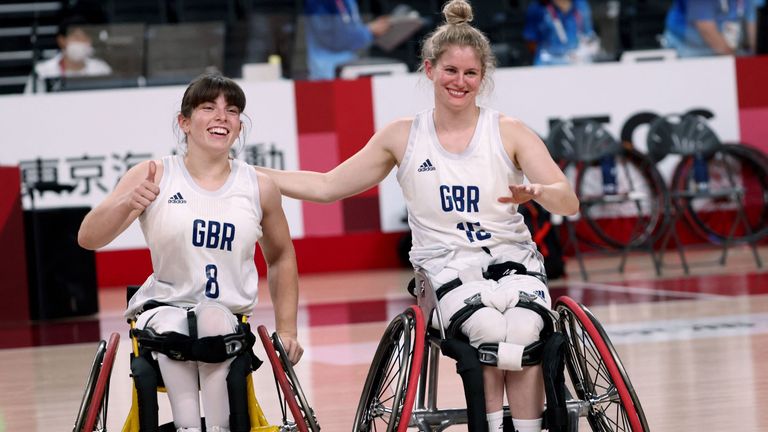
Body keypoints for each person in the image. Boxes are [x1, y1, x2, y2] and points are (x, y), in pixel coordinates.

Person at [257, 1, 579, 430]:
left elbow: (568, 201)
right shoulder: (402, 135)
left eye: (470, 74)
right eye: (450, 71)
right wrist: (246, 174)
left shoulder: (509, 130)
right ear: (429, 70)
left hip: (513, 260)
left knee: (525, 330)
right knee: (485, 328)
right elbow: (327, 186)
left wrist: (540, 192)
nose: (460, 82)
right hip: (446, 267)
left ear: (483, 78)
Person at [77, 73, 303, 432]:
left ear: (239, 126)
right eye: (208, 107)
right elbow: (88, 237)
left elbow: (281, 256)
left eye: (231, 111)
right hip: (163, 310)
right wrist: (125, 203)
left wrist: (288, 329)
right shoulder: (154, 174)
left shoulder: (258, 186)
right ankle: (187, 426)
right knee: (174, 325)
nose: (221, 116)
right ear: (184, 122)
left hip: (226, 318)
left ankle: (216, 427)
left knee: (212, 318)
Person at [303, 0, 392, 80]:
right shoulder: (321, 2)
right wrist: (369, 31)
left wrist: (372, 31)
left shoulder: (349, 2)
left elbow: (350, 29)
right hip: (327, 74)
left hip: (350, 69)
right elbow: (332, 38)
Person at [24, 15, 112, 94]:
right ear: (62, 40)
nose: (81, 42)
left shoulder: (101, 70)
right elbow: (29, 104)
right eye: (76, 37)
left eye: (85, 38)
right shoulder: (43, 72)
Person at [662, 0, 758, 57]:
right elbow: (707, 31)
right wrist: (739, 63)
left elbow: (754, 29)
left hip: (733, 47)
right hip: (690, 48)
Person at [523, 0, 600, 66]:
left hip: (576, 62)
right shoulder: (537, 8)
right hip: (546, 64)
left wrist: (582, 53)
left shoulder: (580, 5)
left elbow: (588, 36)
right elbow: (531, 42)